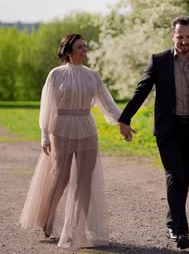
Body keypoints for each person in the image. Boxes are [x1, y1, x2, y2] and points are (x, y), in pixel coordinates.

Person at [118, 15, 189, 250]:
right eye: (180, 36)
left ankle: (172, 222)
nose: (184, 41)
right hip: (168, 130)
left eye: (188, 37)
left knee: (184, 180)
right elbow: (141, 91)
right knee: (175, 175)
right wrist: (125, 118)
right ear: (172, 36)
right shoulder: (159, 61)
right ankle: (182, 232)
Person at [19, 34, 122, 249]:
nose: (85, 50)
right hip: (62, 128)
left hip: (86, 128)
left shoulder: (93, 76)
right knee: (61, 177)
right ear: (68, 52)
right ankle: (48, 215)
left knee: (84, 181)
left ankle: (75, 229)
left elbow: (107, 103)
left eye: (85, 46)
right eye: (80, 47)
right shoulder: (55, 75)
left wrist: (123, 122)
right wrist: (44, 134)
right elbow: (47, 105)